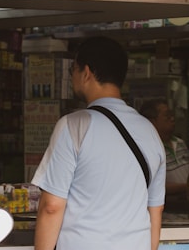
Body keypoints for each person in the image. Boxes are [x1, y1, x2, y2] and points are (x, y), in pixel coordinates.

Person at [31, 36, 166, 250]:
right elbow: (155, 210)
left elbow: (51, 207)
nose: (72, 77)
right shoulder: (150, 131)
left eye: (72, 70)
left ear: (86, 73)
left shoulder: (73, 126)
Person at [140, 99, 189, 197]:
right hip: (166, 208)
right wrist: (186, 187)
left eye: (172, 115)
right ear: (152, 122)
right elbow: (152, 186)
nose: (172, 119)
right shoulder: (147, 149)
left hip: (187, 206)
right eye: (167, 116)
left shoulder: (180, 143)